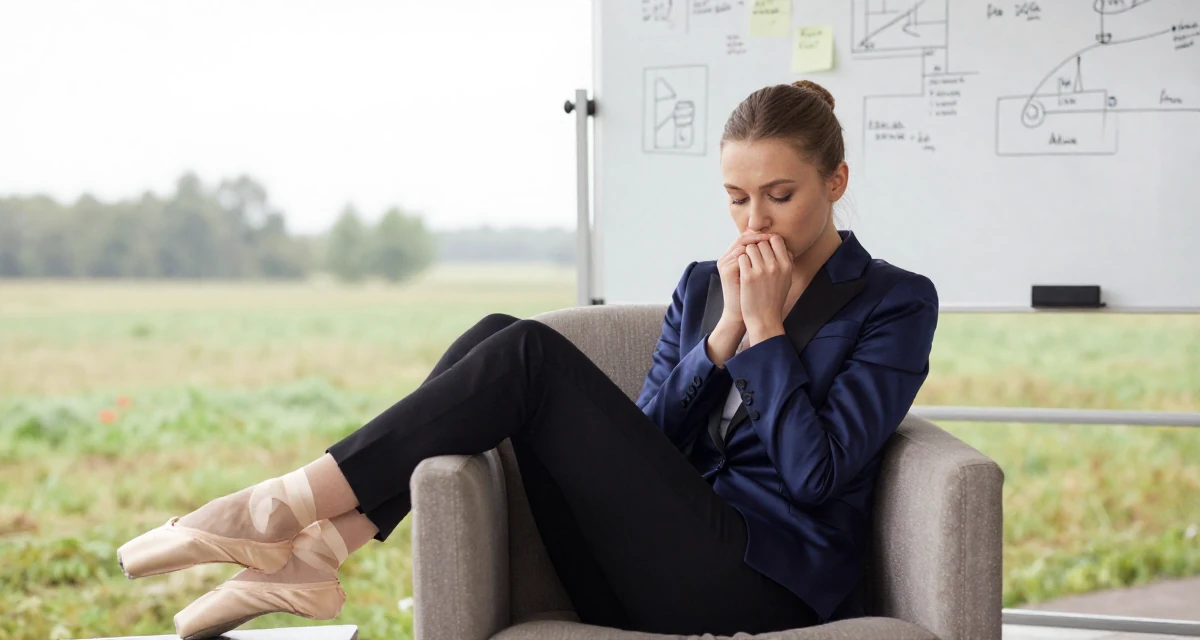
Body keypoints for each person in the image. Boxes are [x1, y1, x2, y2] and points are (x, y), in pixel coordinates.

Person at [116, 79, 938, 639]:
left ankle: (276, 514)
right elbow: (647, 442)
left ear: (836, 181)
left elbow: (817, 477)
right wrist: (719, 342)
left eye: (780, 196)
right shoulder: (702, 285)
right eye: (736, 198)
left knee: (531, 354)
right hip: (638, 570)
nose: (754, 222)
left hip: (765, 588)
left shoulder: (894, 302)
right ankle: (316, 552)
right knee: (497, 331)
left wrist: (763, 333)